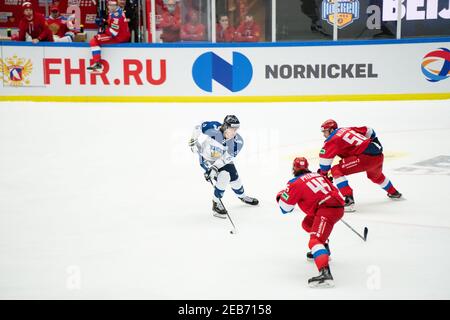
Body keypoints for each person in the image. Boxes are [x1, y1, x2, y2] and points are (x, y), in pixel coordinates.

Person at [277, 157, 344, 288]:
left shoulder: (294, 183)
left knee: (314, 241)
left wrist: (280, 195)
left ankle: (325, 274)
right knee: (307, 224)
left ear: (293, 169)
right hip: (335, 205)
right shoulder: (318, 175)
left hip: (326, 209)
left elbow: (285, 209)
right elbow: (332, 189)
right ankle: (323, 250)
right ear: (307, 167)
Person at [318, 119, 402, 212]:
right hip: (378, 155)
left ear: (331, 130)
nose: (323, 134)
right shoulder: (346, 129)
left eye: (325, 131)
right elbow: (369, 130)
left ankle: (349, 201)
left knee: (336, 170)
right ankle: (394, 193)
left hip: (365, 158)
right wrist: (373, 144)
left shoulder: (331, 140)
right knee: (376, 176)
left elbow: (324, 162)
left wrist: (324, 174)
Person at [189, 115, 259, 218]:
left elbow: (226, 158)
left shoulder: (237, 141)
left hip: (222, 159)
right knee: (224, 177)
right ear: (225, 127)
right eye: (232, 129)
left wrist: (214, 168)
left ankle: (242, 197)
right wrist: (193, 140)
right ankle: (216, 203)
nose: (234, 132)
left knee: (235, 179)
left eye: (236, 129)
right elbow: (198, 126)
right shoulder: (213, 128)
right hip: (207, 159)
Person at [87, 0, 130, 73]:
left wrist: (104, 29)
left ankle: (98, 65)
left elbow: (114, 33)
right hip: (122, 35)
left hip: (119, 37)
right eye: (109, 4)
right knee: (97, 38)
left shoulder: (116, 15)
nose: (109, 6)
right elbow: (112, 23)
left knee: (94, 40)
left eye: (111, 5)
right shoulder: (116, 11)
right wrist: (104, 21)